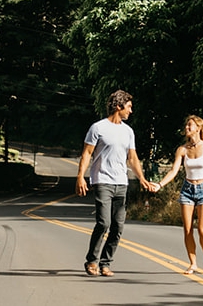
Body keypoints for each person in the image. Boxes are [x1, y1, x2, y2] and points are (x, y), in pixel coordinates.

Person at [75, 90, 157, 276]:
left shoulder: (128, 131)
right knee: (104, 222)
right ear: (119, 106)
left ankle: (105, 263)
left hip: (122, 182)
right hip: (102, 180)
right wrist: (80, 176)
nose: (131, 111)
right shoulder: (98, 128)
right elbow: (87, 153)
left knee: (118, 226)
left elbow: (133, 158)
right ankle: (92, 261)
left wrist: (142, 179)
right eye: (128, 107)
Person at [154, 114, 203, 274]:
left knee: (202, 229)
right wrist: (159, 184)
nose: (186, 128)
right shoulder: (182, 150)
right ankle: (192, 263)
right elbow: (174, 170)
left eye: (189, 125)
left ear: (198, 128)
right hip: (187, 190)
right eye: (186, 125)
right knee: (188, 229)